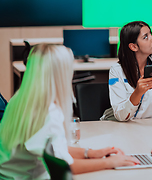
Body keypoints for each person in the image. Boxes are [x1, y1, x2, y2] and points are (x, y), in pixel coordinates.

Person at [0, 44, 139, 179]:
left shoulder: (20, 99)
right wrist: (109, 163)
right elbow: (64, 166)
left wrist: (91, 153)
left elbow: (53, 150)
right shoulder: (49, 112)